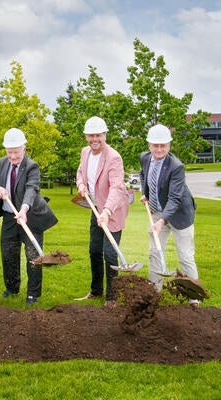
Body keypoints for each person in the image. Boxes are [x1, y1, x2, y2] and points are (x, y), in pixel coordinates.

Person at [0, 128, 58, 305]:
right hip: (9, 216)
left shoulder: (32, 166)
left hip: (30, 217)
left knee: (33, 256)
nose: (12, 157)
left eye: (15, 153)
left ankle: (33, 294)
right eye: (9, 152)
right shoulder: (2, 163)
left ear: (24, 149)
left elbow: (31, 188)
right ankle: (12, 288)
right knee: (8, 253)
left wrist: (24, 209)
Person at [140, 124, 201, 308]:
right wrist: (146, 194)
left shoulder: (176, 167)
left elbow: (174, 199)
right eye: (155, 145)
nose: (159, 149)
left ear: (169, 146)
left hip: (180, 215)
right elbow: (143, 175)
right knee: (154, 252)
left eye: (163, 145)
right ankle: (154, 293)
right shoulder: (144, 157)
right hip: (158, 211)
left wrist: (161, 221)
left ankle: (194, 297)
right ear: (149, 145)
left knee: (185, 256)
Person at [75, 116, 128, 308]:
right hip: (95, 208)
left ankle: (112, 297)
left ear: (104, 135)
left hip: (111, 211)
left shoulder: (114, 157)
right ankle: (96, 291)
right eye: (90, 135)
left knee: (110, 254)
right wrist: (81, 184)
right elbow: (80, 172)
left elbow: (117, 187)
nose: (94, 139)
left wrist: (106, 211)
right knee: (94, 250)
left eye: (98, 135)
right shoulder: (85, 152)